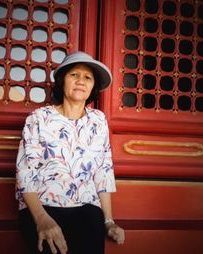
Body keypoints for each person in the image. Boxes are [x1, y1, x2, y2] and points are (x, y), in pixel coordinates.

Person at [16, 51, 125, 254]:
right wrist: (42, 219)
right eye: (74, 75)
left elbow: (103, 171)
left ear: (93, 86)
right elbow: (25, 173)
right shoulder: (39, 118)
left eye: (87, 77)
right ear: (62, 80)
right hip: (42, 207)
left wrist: (109, 221)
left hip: (86, 208)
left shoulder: (98, 121)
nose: (80, 81)